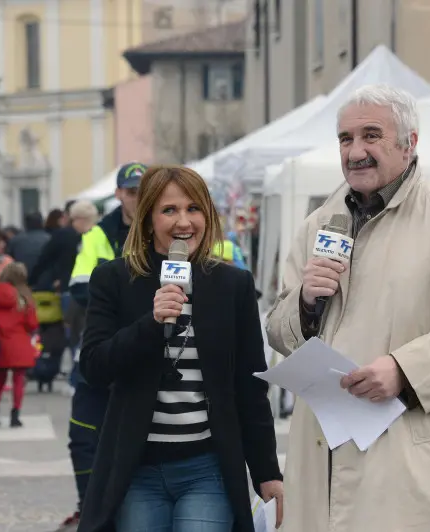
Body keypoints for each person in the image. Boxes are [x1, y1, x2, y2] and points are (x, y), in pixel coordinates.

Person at [265, 84, 430, 532]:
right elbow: (279, 332)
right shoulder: (316, 225)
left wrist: (404, 369)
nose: (355, 151)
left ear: (409, 142)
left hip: (406, 464)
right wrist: (304, 303)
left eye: (371, 135)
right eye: (345, 139)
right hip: (320, 463)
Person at [77, 165, 283, 532]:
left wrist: (267, 471)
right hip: (136, 469)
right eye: (169, 210)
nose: (183, 221)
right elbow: (93, 366)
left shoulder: (232, 284)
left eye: (193, 209)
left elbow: (251, 387)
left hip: (207, 467)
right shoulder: (114, 279)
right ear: (148, 218)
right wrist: (151, 324)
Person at [58, 163, 146, 531]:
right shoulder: (98, 234)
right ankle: (89, 508)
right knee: (83, 436)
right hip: (100, 344)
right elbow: (79, 284)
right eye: (130, 191)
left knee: (137, 443)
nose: (136, 198)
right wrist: (119, 297)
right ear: (119, 194)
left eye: (142, 190)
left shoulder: (166, 228)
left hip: (143, 349)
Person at [0, 262, 39, 428]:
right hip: (19, 342)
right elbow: (32, 324)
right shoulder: (24, 297)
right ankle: (15, 415)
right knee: (18, 380)